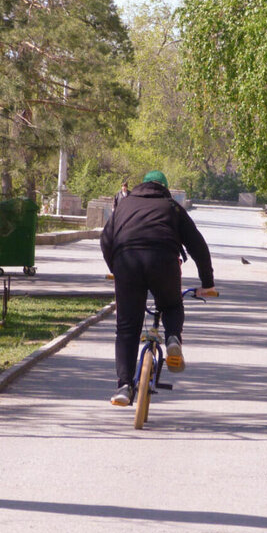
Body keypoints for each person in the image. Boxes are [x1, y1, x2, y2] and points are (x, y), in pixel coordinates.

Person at [100, 170, 216, 407]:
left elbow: (106, 239)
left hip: (127, 261)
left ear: (142, 185)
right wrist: (207, 283)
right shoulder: (172, 208)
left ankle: (124, 386)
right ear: (165, 188)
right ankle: (173, 337)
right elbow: (198, 246)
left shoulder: (124, 204)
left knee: (126, 327)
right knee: (171, 304)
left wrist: (116, 268)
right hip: (163, 261)